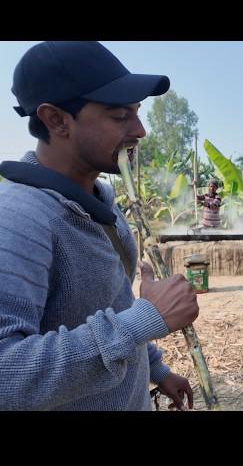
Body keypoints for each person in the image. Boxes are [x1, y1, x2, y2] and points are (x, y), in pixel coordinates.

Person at [0, 41, 199, 411]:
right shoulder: (17, 219)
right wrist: (143, 321)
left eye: (137, 112)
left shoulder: (102, 202)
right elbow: (5, 373)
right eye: (119, 115)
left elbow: (113, 304)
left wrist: (156, 369)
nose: (140, 130)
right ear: (57, 120)